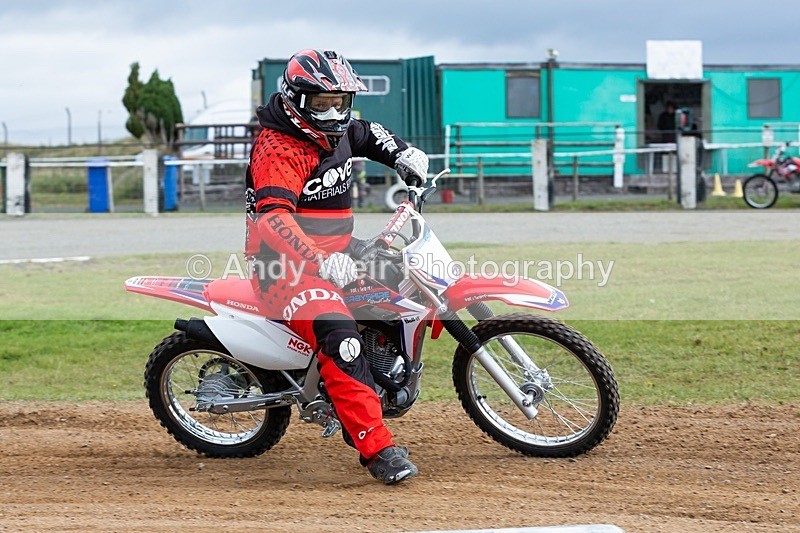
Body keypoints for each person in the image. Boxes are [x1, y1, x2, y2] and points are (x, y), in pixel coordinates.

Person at [244, 49, 428, 484]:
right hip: (285, 269)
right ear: (295, 100)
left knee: (407, 278)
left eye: (339, 102)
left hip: (338, 250)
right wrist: (320, 260)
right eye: (321, 103)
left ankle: (381, 375)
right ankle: (375, 446)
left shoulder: (338, 130)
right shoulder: (279, 149)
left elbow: (367, 133)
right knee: (342, 339)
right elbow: (274, 219)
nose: (332, 113)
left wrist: (403, 153)